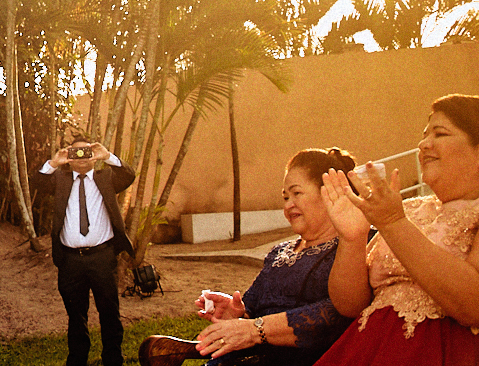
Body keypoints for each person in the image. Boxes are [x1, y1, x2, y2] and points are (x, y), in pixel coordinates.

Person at [316, 94, 479, 365]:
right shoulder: (409, 208)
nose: (423, 144)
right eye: (424, 135)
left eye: (440, 133)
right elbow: (349, 305)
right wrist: (352, 238)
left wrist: (393, 223)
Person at [138, 148, 357, 366]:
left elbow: (336, 315)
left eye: (297, 193)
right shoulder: (280, 252)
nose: (288, 205)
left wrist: (255, 330)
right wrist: (237, 314)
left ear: (329, 192)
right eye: (285, 197)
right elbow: (251, 311)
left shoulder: (354, 246)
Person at [34, 133, 136, 366]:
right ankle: (77, 360)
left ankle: (113, 360)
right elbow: (37, 183)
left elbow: (129, 175)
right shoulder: (60, 180)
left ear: (93, 156)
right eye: (75, 152)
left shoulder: (106, 177)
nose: (81, 156)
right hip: (70, 261)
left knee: (109, 311)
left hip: (102, 257)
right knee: (75, 315)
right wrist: (54, 163)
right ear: (69, 157)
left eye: (86, 151)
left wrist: (107, 156)